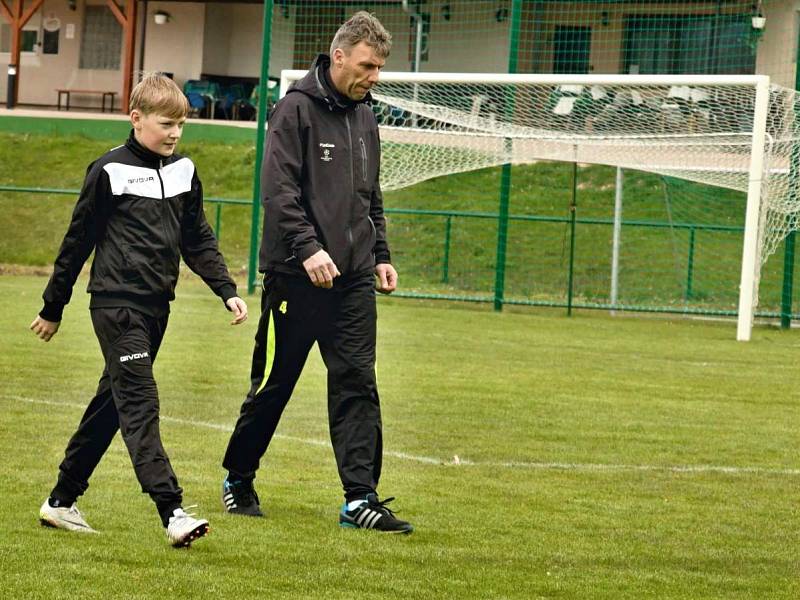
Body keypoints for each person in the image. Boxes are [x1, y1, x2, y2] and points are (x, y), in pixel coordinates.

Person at [30, 73, 248, 548]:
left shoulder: (185, 171)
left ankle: (61, 500)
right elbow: (76, 244)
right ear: (136, 119)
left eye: (182, 125)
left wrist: (225, 289)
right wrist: (53, 307)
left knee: (112, 404)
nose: (174, 133)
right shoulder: (108, 171)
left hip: (156, 311)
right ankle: (172, 511)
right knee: (140, 403)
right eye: (166, 123)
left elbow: (198, 239)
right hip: (115, 307)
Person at [221, 12, 412, 534]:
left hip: (351, 279)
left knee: (356, 381)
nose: (374, 77)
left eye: (380, 68)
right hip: (294, 275)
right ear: (339, 56)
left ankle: (360, 499)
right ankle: (238, 479)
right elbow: (278, 192)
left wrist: (381, 254)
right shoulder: (294, 111)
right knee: (276, 383)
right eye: (368, 66)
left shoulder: (367, 118)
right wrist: (307, 249)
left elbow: (370, 197)